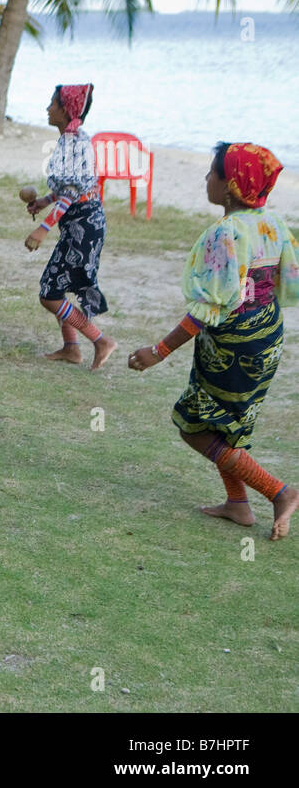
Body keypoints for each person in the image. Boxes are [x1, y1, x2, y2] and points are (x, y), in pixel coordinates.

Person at [128, 143, 299, 541]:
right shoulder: (274, 224)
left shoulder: (224, 233)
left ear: (231, 186)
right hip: (267, 336)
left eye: (212, 172)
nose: (206, 178)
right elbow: (286, 284)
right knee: (226, 424)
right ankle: (237, 504)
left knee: (194, 427)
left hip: (232, 345)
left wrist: (158, 352)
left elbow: (208, 307)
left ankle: (279, 491)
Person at [24, 83, 116, 369]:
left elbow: (72, 193)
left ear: (66, 110)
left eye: (52, 103)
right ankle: (71, 348)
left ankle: (100, 340)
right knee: (56, 286)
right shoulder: (71, 138)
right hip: (82, 222)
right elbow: (70, 189)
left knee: (50, 294)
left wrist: (43, 228)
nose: (48, 108)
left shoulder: (73, 142)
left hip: (83, 225)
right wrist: (42, 201)